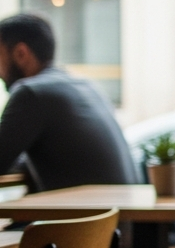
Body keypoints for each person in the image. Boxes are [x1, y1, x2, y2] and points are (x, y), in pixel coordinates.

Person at [0, 13, 139, 191]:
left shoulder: (31, 93)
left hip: (84, 209)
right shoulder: (86, 86)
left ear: (21, 53)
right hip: (121, 208)